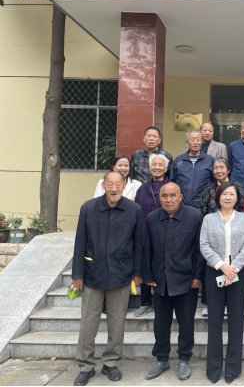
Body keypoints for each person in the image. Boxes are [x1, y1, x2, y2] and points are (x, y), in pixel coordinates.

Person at [71, 171, 142, 386]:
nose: (114, 188)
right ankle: (85, 365)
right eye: (110, 184)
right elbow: (80, 242)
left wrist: (137, 272)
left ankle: (111, 362)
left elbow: (139, 244)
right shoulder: (88, 208)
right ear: (103, 186)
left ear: (124, 186)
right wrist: (78, 274)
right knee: (88, 322)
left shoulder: (134, 210)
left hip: (121, 274)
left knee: (117, 321)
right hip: (93, 274)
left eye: (118, 184)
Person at [142, 182, 204, 381]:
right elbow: (146, 249)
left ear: (180, 196)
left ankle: (184, 358)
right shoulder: (152, 218)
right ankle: (162, 359)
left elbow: (199, 249)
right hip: (160, 281)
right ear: (159, 198)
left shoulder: (194, 216)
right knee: (161, 323)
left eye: (172, 195)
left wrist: (197, 275)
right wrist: (148, 276)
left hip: (186, 280)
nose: (168, 200)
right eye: (164, 196)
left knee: (186, 323)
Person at [200, 181, 244, 384]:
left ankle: (233, 368)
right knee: (214, 322)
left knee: (236, 321)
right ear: (218, 197)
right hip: (215, 272)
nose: (228, 197)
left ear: (237, 198)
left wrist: (234, 269)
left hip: (237, 274)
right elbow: (204, 245)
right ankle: (213, 369)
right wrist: (222, 266)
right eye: (224, 194)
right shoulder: (208, 219)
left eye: (231, 194)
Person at [198, 157, 244, 317]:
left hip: (234, 231)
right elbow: (203, 208)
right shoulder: (209, 188)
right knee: (211, 270)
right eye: (216, 167)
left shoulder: (237, 187)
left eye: (222, 167)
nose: (219, 170)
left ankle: (227, 304)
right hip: (213, 232)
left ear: (228, 170)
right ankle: (208, 303)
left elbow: (241, 207)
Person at [133, 153, 171, 317]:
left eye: (160, 165)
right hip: (144, 232)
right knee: (145, 265)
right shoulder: (143, 188)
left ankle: (164, 301)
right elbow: (136, 210)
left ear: (166, 168)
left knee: (163, 266)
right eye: (154, 165)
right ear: (149, 168)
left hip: (165, 233)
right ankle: (145, 302)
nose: (157, 167)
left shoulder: (171, 186)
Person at [171, 129, 214, 208]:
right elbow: (172, 181)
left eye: (198, 140)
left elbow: (213, 182)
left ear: (201, 142)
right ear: (187, 142)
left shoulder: (209, 160)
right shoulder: (178, 160)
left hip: (203, 206)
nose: (195, 142)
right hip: (182, 205)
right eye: (192, 139)